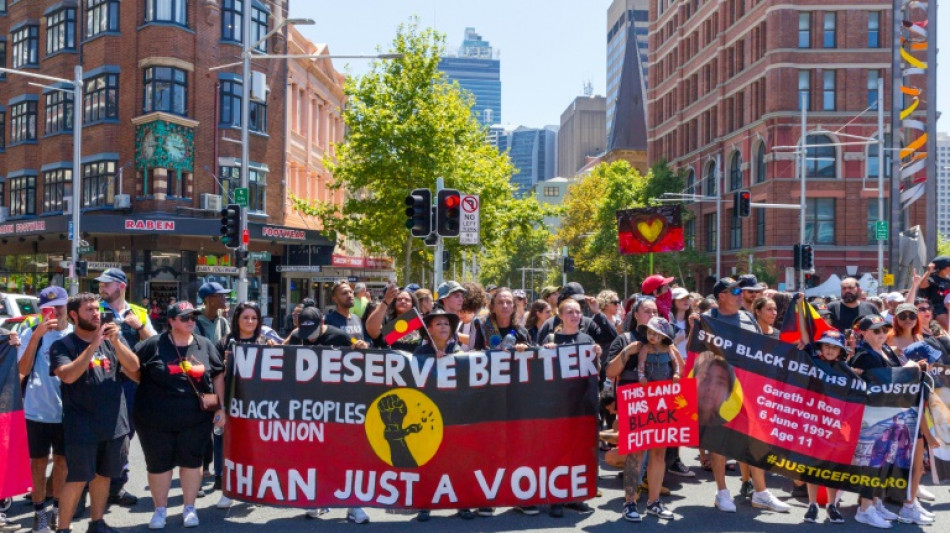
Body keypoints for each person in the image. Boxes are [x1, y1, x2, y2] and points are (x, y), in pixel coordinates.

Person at [692, 277, 790, 513]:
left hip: (749, 389)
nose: (739, 293)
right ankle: (722, 492)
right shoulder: (708, 320)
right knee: (718, 441)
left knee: (755, 439)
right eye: (734, 290)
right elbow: (694, 353)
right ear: (721, 296)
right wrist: (693, 326)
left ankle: (761, 492)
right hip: (719, 390)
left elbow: (760, 350)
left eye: (740, 289)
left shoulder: (747, 317)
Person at [49, 293, 141, 533]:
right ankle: (63, 528)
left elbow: (134, 369)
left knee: (103, 475)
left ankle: (97, 522)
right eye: (88, 310)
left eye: (96, 309)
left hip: (113, 424)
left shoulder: (112, 341)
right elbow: (67, 375)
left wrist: (117, 342)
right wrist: (93, 346)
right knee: (78, 478)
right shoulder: (64, 345)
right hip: (82, 425)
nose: (95, 313)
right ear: (73, 315)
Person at [133, 301, 226, 529]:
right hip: (155, 419)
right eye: (184, 318)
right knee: (158, 465)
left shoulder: (204, 344)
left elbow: (217, 375)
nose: (191, 321)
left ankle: (189, 507)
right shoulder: (152, 345)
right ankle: (160, 510)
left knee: (192, 463)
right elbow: (131, 368)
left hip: (195, 418)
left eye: (193, 317)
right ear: (172, 321)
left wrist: (222, 407)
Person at [97, 268, 155, 507]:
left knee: (124, 436)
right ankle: (85, 490)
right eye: (100, 284)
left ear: (121, 286)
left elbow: (154, 342)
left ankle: (115, 487)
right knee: (97, 434)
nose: (102, 288)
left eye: (107, 284)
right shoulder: (95, 309)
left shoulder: (138, 311)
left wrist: (139, 326)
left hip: (130, 382)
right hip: (101, 378)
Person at [211, 302, 276, 509]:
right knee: (229, 448)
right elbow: (216, 375)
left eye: (254, 318)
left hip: (258, 406)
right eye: (245, 317)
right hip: (232, 403)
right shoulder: (224, 343)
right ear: (237, 319)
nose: (250, 322)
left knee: (257, 448)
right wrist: (221, 405)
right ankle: (228, 490)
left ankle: (257, 490)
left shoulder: (266, 342)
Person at [17, 286, 72, 533]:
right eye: (49, 308)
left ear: (67, 306)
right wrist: (37, 336)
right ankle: (39, 514)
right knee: (38, 464)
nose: (55, 312)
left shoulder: (75, 333)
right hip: (36, 409)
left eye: (60, 306)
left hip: (68, 411)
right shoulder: (31, 333)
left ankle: (57, 511)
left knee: (62, 462)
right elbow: (23, 369)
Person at [848, 314, 910, 528]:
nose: (882, 334)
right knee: (871, 462)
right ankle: (864, 508)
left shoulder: (888, 350)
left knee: (884, 460)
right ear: (863, 333)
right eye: (876, 331)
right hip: (871, 417)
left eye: (884, 330)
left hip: (891, 413)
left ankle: (875, 501)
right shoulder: (862, 355)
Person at [541, 298, 599, 518]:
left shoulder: (587, 339)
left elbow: (595, 372)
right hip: (556, 405)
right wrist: (545, 351)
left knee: (578, 450)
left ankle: (574, 496)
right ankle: (555, 497)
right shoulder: (550, 338)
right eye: (570, 312)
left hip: (581, 404)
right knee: (557, 451)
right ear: (560, 315)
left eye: (578, 312)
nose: (575, 315)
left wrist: (598, 355)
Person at [632, 316, 680, 521]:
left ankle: (654, 500)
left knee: (659, 449)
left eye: (655, 334)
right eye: (649, 333)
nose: (651, 337)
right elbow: (641, 366)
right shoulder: (645, 349)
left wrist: (676, 375)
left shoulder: (669, 349)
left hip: (665, 395)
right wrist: (641, 377)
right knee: (640, 448)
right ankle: (631, 500)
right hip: (648, 394)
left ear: (663, 336)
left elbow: (677, 365)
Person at [801, 330, 848, 524]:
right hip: (813, 421)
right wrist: (801, 304)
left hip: (835, 424)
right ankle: (812, 504)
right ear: (820, 347)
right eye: (826, 345)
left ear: (841, 351)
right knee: (812, 463)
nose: (830, 350)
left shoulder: (846, 370)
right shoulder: (812, 362)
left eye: (834, 347)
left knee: (831, 465)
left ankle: (831, 505)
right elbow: (805, 338)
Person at [365, 285, 423, 352]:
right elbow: (372, 330)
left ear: (413, 305)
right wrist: (386, 301)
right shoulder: (387, 322)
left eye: (407, 300)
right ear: (394, 303)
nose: (403, 301)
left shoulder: (419, 324)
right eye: (399, 299)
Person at [918, 257, 950, 330]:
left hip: (947, 306)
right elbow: (922, 285)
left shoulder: (948, 280)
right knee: (948, 327)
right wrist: (929, 271)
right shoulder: (932, 278)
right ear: (945, 268)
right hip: (936, 308)